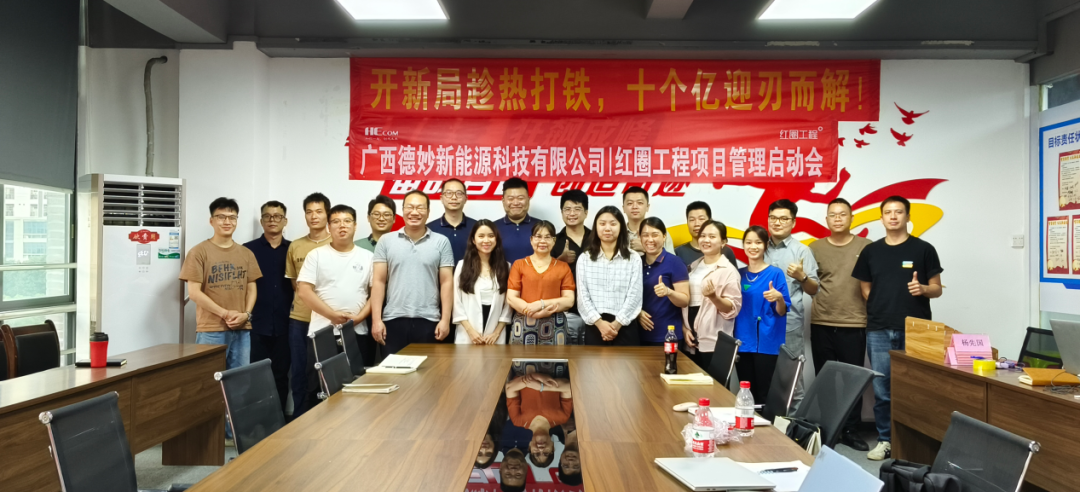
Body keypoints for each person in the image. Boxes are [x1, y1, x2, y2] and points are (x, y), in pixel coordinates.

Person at [852, 196, 943, 461]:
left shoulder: (924, 249)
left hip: (916, 329)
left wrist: (923, 288)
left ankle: (918, 444)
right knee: (882, 390)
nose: (893, 216)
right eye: (888, 212)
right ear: (881, 218)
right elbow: (865, 288)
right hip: (878, 328)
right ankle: (885, 440)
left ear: (908, 216)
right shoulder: (871, 251)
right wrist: (882, 303)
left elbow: (937, 288)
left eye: (899, 212)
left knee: (917, 389)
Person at [180, 197, 262, 442]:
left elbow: (252, 288)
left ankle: (232, 433)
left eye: (232, 217)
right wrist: (225, 313)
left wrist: (246, 314)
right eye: (222, 217)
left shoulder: (246, 253)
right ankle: (209, 436)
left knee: (240, 383)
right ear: (211, 220)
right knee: (209, 383)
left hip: (242, 328)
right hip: (211, 329)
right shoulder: (199, 252)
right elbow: (194, 293)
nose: (227, 221)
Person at [808, 198, 872, 452]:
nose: (837, 218)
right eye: (832, 214)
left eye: (842, 214)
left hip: (854, 322)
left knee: (852, 381)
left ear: (851, 218)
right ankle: (827, 428)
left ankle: (850, 430)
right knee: (825, 379)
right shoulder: (814, 248)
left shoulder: (866, 246)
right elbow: (809, 283)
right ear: (826, 219)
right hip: (821, 321)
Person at [370, 190, 455, 355]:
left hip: (429, 320)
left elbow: (446, 282)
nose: (414, 212)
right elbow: (378, 281)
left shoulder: (441, 242)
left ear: (428, 212)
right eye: (409, 207)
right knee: (393, 370)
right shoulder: (386, 241)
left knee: (427, 370)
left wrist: (445, 320)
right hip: (392, 320)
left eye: (420, 208)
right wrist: (376, 320)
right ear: (402, 210)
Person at [296, 204, 375, 373]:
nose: (342, 225)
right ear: (329, 227)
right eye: (336, 221)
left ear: (355, 225)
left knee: (358, 383)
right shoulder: (316, 255)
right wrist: (332, 316)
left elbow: (376, 293)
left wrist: (359, 318)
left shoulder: (368, 257)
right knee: (321, 385)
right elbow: (303, 291)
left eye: (347, 221)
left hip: (357, 332)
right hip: (322, 333)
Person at [763, 199, 819, 404]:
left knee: (792, 381)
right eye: (773, 218)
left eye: (783, 219)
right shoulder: (759, 247)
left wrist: (802, 276)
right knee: (765, 378)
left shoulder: (802, 251)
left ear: (793, 222)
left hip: (789, 325)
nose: (777, 222)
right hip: (761, 325)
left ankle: (793, 423)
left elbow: (814, 290)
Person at [242, 200, 292, 415]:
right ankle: (257, 423)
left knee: (281, 376)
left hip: (286, 324)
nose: (272, 220)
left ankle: (279, 422)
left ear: (285, 221)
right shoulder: (247, 250)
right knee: (255, 377)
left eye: (277, 216)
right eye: (267, 216)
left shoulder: (293, 249)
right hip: (255, 324)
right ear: (261, 221)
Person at [733, 225, 792, 406]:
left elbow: (782, 311)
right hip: (742, 341)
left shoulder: (775, 273)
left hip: (767, 343)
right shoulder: (738, 274)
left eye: (758, 242)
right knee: (746, 394)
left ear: (766, 245)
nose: (753, 246)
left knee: (765, 395)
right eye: (749, 242)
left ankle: (767, 425)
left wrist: (779, 298)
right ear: (743, 245)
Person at [285, 192, 331, 418]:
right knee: (299, 371)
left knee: (325, 371)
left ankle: (324, 419)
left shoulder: (336, 243)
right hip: (300, 319)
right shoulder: (295, 246)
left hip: (326, 320)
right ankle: (300, 419)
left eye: (319, 211)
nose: (314, 216)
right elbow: (295, 283)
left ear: (327, 214)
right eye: (309, 212)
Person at [680, 220, 742, 371]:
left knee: (715, 385)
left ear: (723, 242)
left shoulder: (729, 271)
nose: (706, 240)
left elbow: (732, 309)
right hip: (691, 338)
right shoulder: (693, 267)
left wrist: (714, 297)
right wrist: (684, 328)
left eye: (712, 237)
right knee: (692, 384)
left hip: (715, 341)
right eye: (702, 236)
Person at [577, 206, 643, 346]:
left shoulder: (633, 258)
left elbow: (635, 296)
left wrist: (617, 324)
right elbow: (582, 296)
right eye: (602, 224)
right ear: (596, 227)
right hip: (595, 327)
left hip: (625, 327)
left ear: (621, 227)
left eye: (613, 224)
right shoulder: (585, 258)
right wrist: (600, 324)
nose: (607, 228)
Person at [506, 221, 576, 345]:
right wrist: (532, 312)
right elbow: (511, 298)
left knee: (555, 357)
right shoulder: (519, 265)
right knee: (521, 357)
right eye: (538, 236)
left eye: (547, 237)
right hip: (524, 322)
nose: (542, 241)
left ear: (554, 241)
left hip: (555, 323)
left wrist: (541, 304)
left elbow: (569, 300)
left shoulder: (563, 267)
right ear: (531, 240)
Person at [453, 220, 513, 344]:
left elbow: (508, 304)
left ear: (496, 239)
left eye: (491, 236)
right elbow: (456, 301)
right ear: (473, 240)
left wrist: (497, 332)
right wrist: (470, 331)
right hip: (467, 333)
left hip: (495, 334)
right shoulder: (462, 266)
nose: (486, 240)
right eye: (481, 236)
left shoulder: (506, 267)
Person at [637, 217, 691, 347]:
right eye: (645, 235)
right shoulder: (636, 263)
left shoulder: (675, 263)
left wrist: (668, 292)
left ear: (664, 236)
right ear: (640, 237)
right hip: (638, 335)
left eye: (655, 235)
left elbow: (685, 300)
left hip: (667, 335)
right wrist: (637, 312)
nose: (650, 240)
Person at [506, 372, 573, 468]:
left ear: (529, 447)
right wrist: (541, 387)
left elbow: (510, 388)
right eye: (546, 453)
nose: (541, 449)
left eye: (536, 453)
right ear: (552, 447)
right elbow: (568, 387)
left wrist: (534, 376)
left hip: (522, 367)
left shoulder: (518, 420)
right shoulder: (563, 417)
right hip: (553, 366)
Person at [552, 189, 590, 344]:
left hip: (594, 309)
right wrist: (560, 261)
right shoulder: (553, 241)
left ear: (586, 212)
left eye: (577, 209)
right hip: (566, 310)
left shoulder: (597, 239)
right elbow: (543, 274)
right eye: (567, 209)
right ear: (561, 212)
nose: (572, 213)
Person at [674, 201, 738, 268]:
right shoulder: (678, 252)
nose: (697, 224)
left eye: (701, 219)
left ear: (710, 221)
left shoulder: (726, 251)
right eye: (692, 220)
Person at [427, 179, 476, 264]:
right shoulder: (429, 229)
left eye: (459, 193)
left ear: (465, 198)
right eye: (449, 193)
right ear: (441, 198)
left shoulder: (477, 227)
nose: (454, 197)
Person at [495, 177, 536, 263]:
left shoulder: (541, 227)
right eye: (510, 198)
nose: (516, 203)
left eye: (520, 198)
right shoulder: (492, 228)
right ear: (503, 201)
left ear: (528, 200)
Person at [622, 186, 673, 255]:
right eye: (630, 203)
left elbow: (671, 260)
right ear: (623, 208)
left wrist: (646, 248)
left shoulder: (660, 232)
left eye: (640, 203)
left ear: (647, 207)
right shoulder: (617, 233)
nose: (635, 207)